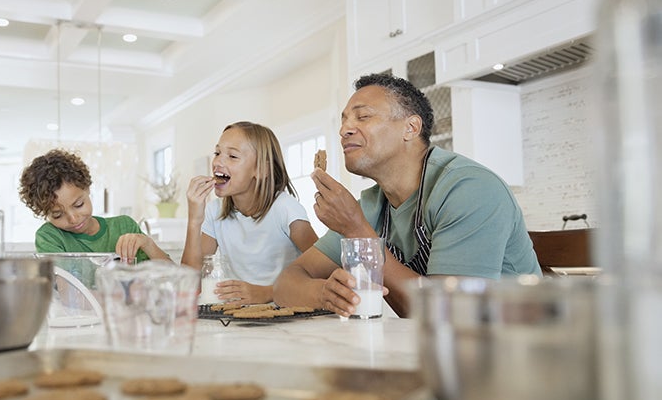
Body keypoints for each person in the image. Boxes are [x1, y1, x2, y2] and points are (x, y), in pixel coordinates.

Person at [273, 73, 541, 318]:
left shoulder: (470, 188)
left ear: (411, 128)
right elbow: (287, 282)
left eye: (362, 116)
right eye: (343, 120)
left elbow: (449, 314)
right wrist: (325, 294)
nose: (345, 130)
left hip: (517, 353)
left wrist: (356, 229)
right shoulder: (371, 204)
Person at [182, 121, 318, 305]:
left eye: (232, 156)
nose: (218, 162)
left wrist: (269, 292)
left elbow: (324, 269)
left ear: (262, 170)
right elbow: (189, 284)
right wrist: (194, 220)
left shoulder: (286, 209)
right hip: (237, 316)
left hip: (285, 314)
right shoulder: (215, 212)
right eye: (217, 153)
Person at [18, 148, 171, 263]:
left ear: (87, 189)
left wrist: (147, 244)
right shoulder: (50, 237)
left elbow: (175, 281)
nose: (73, 219)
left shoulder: (124, 227)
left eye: (78, 204)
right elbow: (69, 293)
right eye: (57, 214)